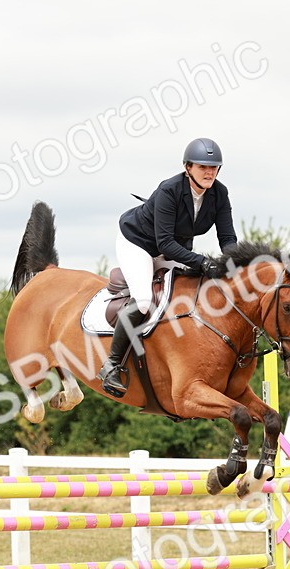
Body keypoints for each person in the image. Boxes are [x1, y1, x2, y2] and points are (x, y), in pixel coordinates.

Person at [97, 137, 239, 398]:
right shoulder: (169, 190)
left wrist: (234, 265)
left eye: (214, 168)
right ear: (188, 168)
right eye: (202, 167)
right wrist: (203, 262)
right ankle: (112, 365)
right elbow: (165, 242)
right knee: (143, 302)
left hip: (173, 247)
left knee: (189, 292)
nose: (209, 173)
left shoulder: (220, 194)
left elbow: (227, 238)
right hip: (138, 244)